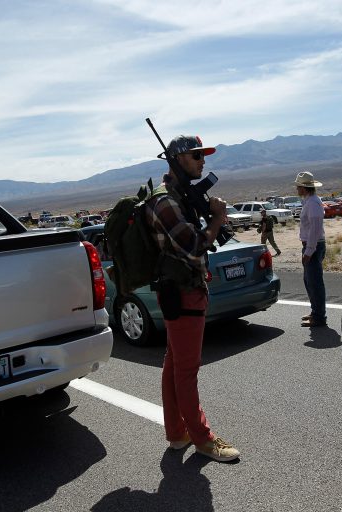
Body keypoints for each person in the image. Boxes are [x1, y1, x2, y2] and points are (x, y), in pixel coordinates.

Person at [145, 134, 240, 463]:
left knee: (174, 365)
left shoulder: (178, 196)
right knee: (186, 371)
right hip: (182, 291)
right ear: (177, 159)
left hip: (182, 289)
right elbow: (195, 245)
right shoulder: (165, 201)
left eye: (203, 156)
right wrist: (216, 218)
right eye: (196, 156)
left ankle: (176, 434)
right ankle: (203, 438)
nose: (202, 161)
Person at [295, 171, 326, 327]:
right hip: (311, 245)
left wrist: (309, 250)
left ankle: (319, 316)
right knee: (309, 281)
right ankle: (316, 312)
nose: (296, 188)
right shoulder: (310, 201)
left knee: (314, 282)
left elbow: (315, 228)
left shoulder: (313, 203)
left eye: (298, 186)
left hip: (313, 246)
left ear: (304, 187)